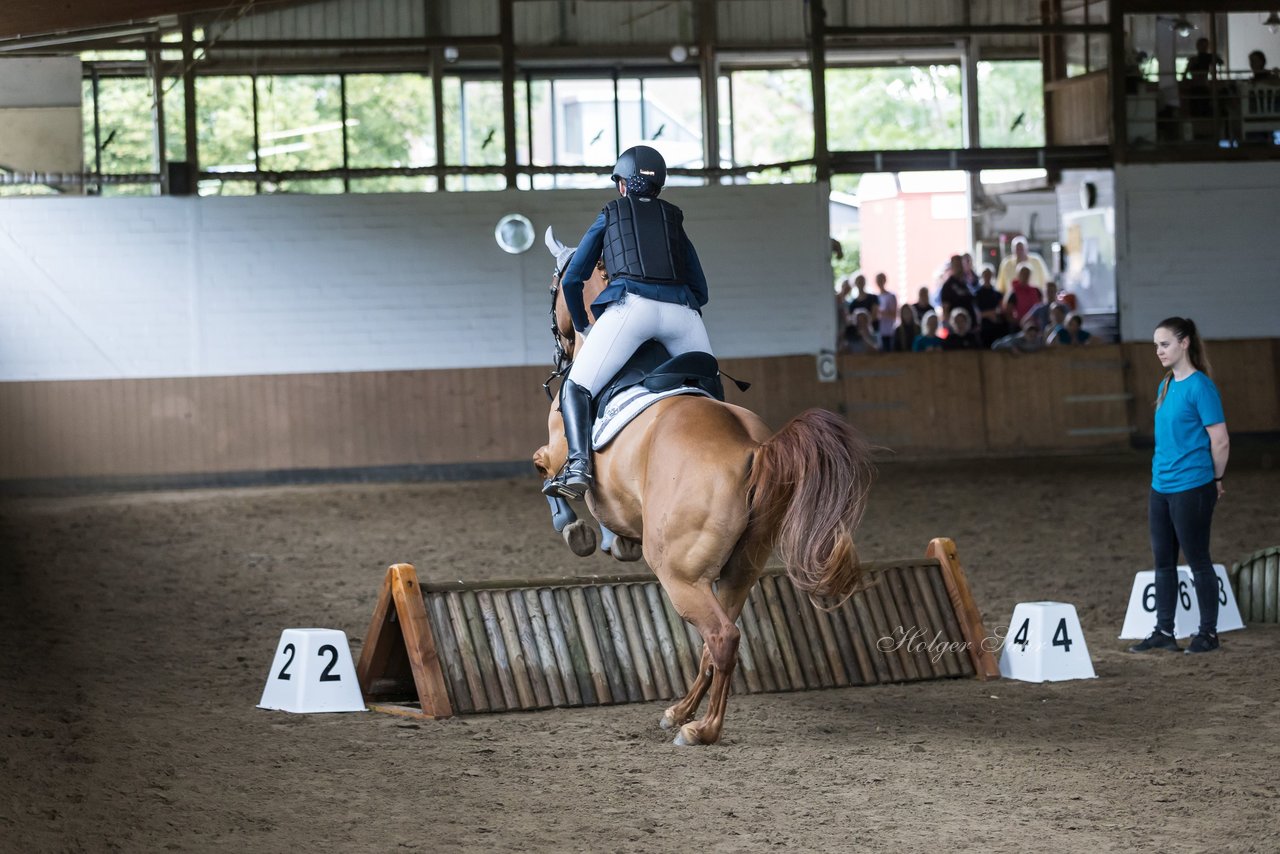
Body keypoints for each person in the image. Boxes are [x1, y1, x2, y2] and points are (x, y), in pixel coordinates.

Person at [544, 145, 712, 500]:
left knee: (576, 386)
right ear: (659, 187)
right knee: (710, 390)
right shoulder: (674, 218)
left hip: (631, 309)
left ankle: (578, 465)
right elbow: (701, 288)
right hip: (683, 315)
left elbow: (574, 279)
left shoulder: (611, 213)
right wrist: (681, 308)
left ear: (622, 186)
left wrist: (584, 326)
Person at [1129, 317, 1229, 655]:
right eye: (1156, 345)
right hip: (1161, 486)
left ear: (1184, 343)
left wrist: (1215, 480)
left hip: (1193, 486)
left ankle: (1208, 634)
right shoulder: (1166, 384)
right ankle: (1164, 630)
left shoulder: (1201, 387)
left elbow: (1220, 441)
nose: (1159, 351)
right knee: (1163, 561)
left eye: (1165, 343)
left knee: (1198, 560)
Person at [973, 267, 1009, 348]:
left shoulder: (998, 294)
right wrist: (989, 314)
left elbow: (1002, 309)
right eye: (985, 275)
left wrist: (996, 314)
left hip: (996, 327)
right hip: (983, 328)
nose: (987, 277)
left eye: (989, 275)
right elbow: (976, 313)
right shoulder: (976, 294)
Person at [938, 255, 976, 327]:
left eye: (961, 264)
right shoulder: (948, 286)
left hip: (970, 327)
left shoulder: (967, 283)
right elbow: (945, 310)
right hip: (957, 329)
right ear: (952, 267)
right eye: (957, 265)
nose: (959, 267)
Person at [874, 272, 898, 352]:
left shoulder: (891, 296)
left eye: (881, 280)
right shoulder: (875, 297)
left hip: (889, 331)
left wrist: (880, 312)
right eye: (878, 280)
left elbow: (894, 314)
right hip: (879, 332)